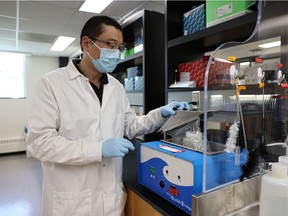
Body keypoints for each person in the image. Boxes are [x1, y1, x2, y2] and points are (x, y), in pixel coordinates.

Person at [26, 15, 189, 216]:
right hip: (71, 203)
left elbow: (130, 125)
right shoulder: (52, 84)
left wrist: (160, 114)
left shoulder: (116, 87)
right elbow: (39, 143)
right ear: (86, 43)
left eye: (119, 48)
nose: (116, 53)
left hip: (111, 201)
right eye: (110, 45)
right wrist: (98, 149)